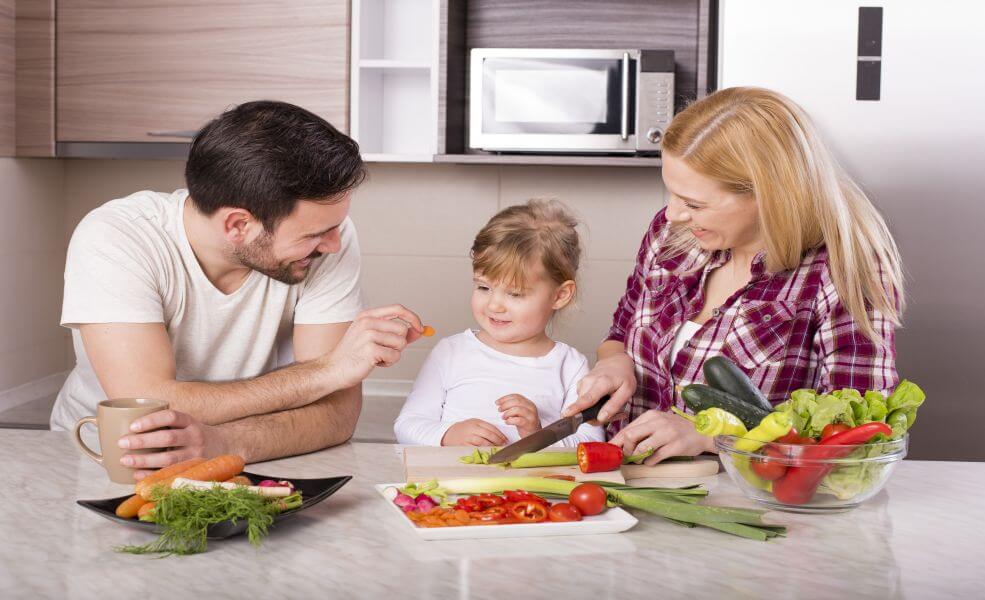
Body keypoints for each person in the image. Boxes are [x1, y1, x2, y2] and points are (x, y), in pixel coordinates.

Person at [50, 100, 426, 479]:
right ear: (238, 226)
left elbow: (337, 415)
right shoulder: (117, 236)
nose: (332, 244)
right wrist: (327, 370)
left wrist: (223, 444)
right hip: (105, 461)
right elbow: (149, 404)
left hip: (253, 460)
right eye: (314, 234)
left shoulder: (330, 235)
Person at [563, 87, 904, 464]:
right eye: (671, 193)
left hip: (748, 503)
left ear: (768, 194)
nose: (673, 213)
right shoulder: (672, 234)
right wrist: (615, 362)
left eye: (694, 203)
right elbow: (623, 329)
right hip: (631, 483)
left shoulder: (842, 269)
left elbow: (858, 431)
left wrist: (710, 435)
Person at [394, 199, 605, 447]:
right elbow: (407, 425)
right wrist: (449, 434)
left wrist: (538, 435)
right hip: (452, 485)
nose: (494, 305)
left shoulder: (570, 367)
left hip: (530, 487)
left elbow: (591, 445)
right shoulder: (451, 352)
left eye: (514, 294)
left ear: (559, 295)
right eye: (483, 287)